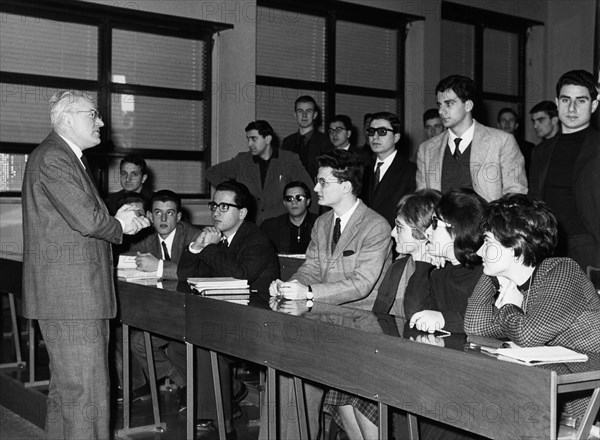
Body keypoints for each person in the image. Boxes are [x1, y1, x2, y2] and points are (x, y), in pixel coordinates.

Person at [21, 90, 150, 439]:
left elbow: (83, 219)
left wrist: (115, 218)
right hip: (73, 300)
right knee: (88, 396)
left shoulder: (61, 156)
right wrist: (120, 224)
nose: (102, 122)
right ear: (67, 118)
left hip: (70, 298)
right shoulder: (54, 158)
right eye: (93, 114)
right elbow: (89, 221)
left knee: (68, 394)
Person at [269, 149, 392, 439]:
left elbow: (361, 284)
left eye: (323, 182)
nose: (315, 188)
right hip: (325, 324)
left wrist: (308, 293)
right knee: (282, 371)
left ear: (346, 186)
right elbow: (310, 268)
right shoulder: (323, 223)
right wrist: (290, 285)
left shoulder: (376, 226)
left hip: (362, 330)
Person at [464, 193, 600, 423]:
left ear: (516, 246)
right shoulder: (519, 286)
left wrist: (508, 305)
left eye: (487, 242)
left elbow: (529, 334)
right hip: (560, 388)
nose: (478, 252)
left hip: (589, 397)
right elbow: (474, 326)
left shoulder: (561, 270)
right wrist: (494, 273)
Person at [323, 189, 441, 439]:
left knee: (361, 387)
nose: (391, 233)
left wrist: (423, 264)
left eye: (399, 227)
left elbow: (415, 316)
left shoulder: (438, 270)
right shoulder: (399, 267)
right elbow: (379, 319)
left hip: (421, 364)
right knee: (344, 378)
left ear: (422, 231)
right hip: (392, 356)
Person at [172, 181, 279, 437]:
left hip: (258, 321)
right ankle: (229, 394)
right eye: (214, 205)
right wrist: (198, 245)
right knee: (177, 345)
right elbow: (185, 275)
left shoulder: (256, 238)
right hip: (228, 316)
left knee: (207, 342)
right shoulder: (218, 238)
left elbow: (239, 276)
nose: (216, 211)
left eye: (224, 206)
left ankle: (223, 423)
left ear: (241, 213)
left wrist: (209, 247)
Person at [115, 190, 200, 401]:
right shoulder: (148, 239)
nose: (163, 219)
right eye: (158, 213)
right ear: (150, 216)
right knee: (135, 340)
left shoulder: (194, 236)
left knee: (140, 341)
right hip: (164, 311)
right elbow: (124, 259)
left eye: (170, 213)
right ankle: (184, 385)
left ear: (179, 217)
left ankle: (202, 389)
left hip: (194, 312)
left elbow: (200, 272)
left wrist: (159, 266)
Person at [528, 69, 600, 270]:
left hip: (590, 248)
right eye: (566, 100)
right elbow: (534, 200)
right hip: (548, 247)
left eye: (581, 101)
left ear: (593, 105)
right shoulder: (541, 152)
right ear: (557, 103)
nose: (572, 108)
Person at [416, 75, 528, 201]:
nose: (441, 111)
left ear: (468, 105)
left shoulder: (502, 142)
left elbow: (516, 194)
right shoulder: (426, 149)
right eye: (439, 105)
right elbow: (423, 202)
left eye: (449, 104)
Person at [405, 188, 486, 334]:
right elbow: (415, 315)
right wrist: (423, 263)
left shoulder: (487, 273)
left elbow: (493, 323)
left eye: (435, 223)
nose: (428, 231)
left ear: (456, 231)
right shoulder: (440, 274)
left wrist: (445, 319)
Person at [206, 120, 315, 224]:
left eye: (254, 139)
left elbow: (310, 191)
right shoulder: (241, 160)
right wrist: (235, 192)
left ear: (268, 139)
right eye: (248, 139)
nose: (249, 144)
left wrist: (312, 223)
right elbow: (212, 173)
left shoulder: (289, 160)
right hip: (250, 225)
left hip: (281, 226)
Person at [360, 111, 417, 227]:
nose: (375, 137)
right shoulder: (362, 170)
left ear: (396, 137)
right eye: (371, 131)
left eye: (382, 132)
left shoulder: (411, 171)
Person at [281, 95, 333, 179]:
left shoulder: (325, 142)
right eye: (300, 111)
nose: (304, 115)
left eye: (308, 111)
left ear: (315, 115)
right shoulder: (287, 142)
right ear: (295, 115)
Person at [260, 181, 318, 254]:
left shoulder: (321, 224)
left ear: (308, 201)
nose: (294, 202)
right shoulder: (271, 227)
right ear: (285, 203)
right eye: (289, 198)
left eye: (299, 197)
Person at [497, 107, 535, 174]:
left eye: (511, 120)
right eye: (503, 120)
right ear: (498, 125)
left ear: (516, 125)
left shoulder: (528, 148)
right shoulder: (490, 147)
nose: (507, 123)